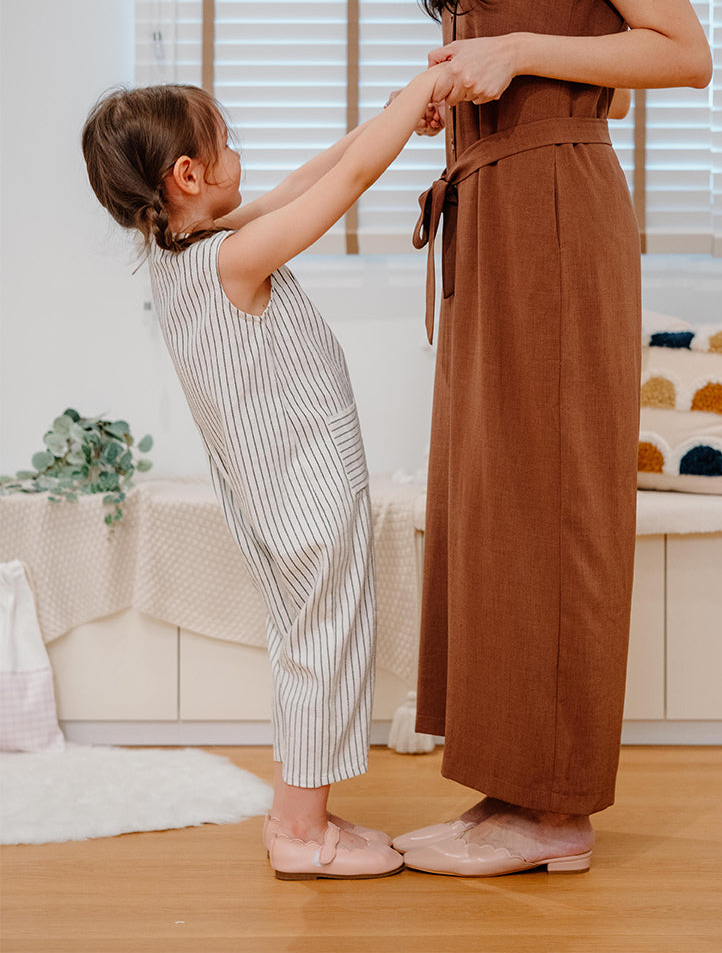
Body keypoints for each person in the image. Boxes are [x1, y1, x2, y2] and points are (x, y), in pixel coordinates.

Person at [372, 0, 712, 877]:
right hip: (495, 207)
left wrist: (516, 52)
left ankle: (554, 813)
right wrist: (466, 92)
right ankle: (510, 790)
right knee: (493, 503)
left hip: (556, 218)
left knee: (551, 498)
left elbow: (681, 49)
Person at [81, 65, 450, 881]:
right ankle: (298, 832)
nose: (237, 156)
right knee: (325, 644)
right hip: (306, 489)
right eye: (225, 146)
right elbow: (348, 182)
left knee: (307, 646)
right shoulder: (231, 261)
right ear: (187, 176)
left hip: (277, 497)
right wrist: (415, 101)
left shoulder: (187, 255)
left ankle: (302, 814)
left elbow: (309, 177)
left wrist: (395, 112)